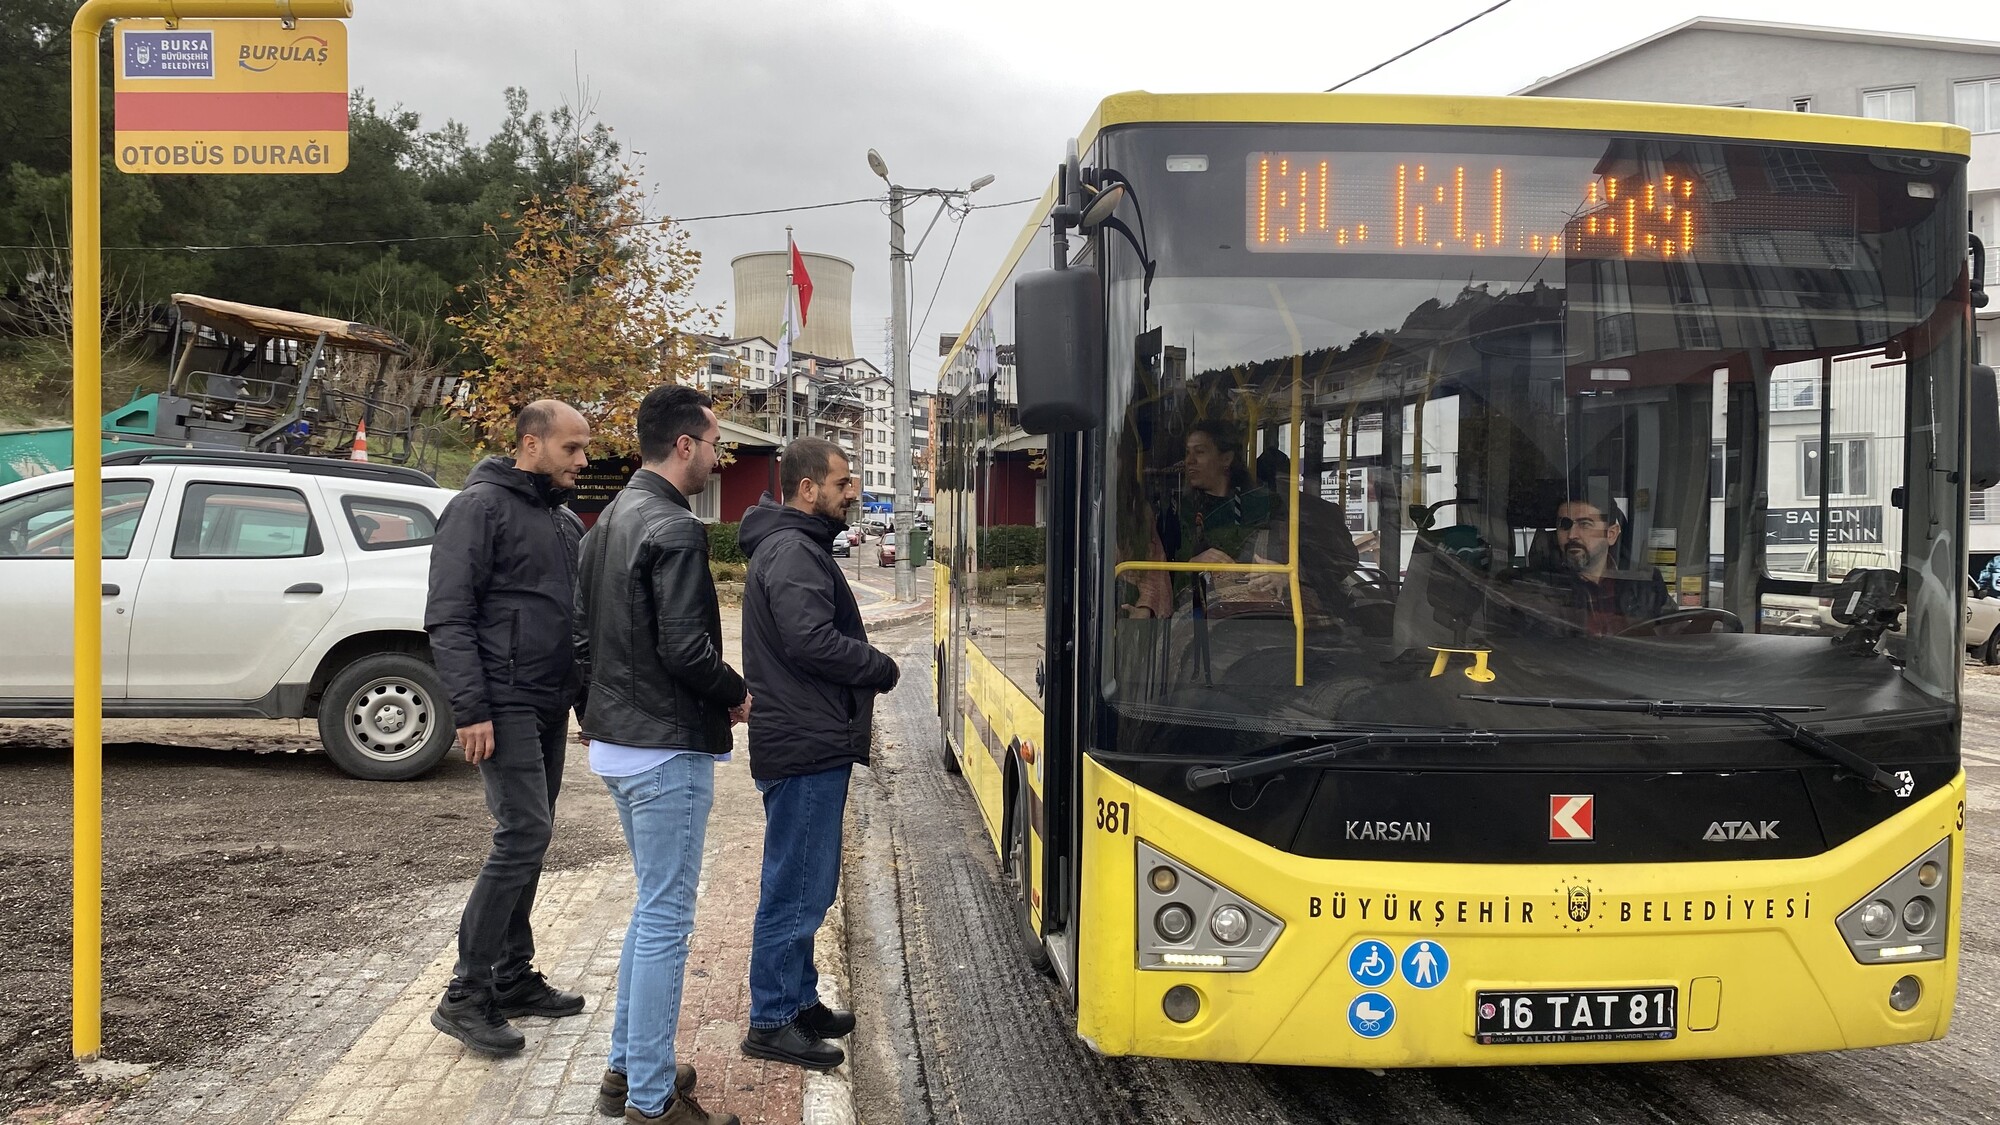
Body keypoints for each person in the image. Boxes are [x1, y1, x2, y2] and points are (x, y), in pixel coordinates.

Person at [575, 385, 747, 1125]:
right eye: (713, 444)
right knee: (668, 920)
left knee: (651, 913)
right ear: (685, 444)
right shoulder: (675, 527)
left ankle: (627, 1069)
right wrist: (735, 691)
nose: (718, 456)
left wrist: (596, 716)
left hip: (617, 745)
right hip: (661, 751)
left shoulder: (607, 518)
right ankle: (651, 1101)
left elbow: (579, 641)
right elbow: (686, 648)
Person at [424, 399, 592, 1057]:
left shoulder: (560, 520)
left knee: (533, 834)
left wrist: (583, 704)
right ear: (530, 445)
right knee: (523, 831)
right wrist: (471, 710)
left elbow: (572, 621)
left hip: (548, 701)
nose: (582, 462)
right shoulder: (477, 508)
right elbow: (449, 616)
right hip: (503, 700)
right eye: (571, 449)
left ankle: (513, 975)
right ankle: (467, 994)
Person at [737, 437, 900, 1072]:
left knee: (808, 880)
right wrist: (878, 667)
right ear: (809, 489)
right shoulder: (792, 551)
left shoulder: (793, 546)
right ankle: (772, 1018)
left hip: (807, 737)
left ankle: (798, 1001)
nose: (852, 492)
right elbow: (810, 641)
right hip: (804, 742)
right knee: (797, 887)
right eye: (843, 482)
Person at [1539, 498, 1672, 635]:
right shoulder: (1542, 585)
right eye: (1564, 525)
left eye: (1585, 524)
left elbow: (1676, 632)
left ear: (1611, 534)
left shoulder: (1645, 582)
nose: (1572, 535)